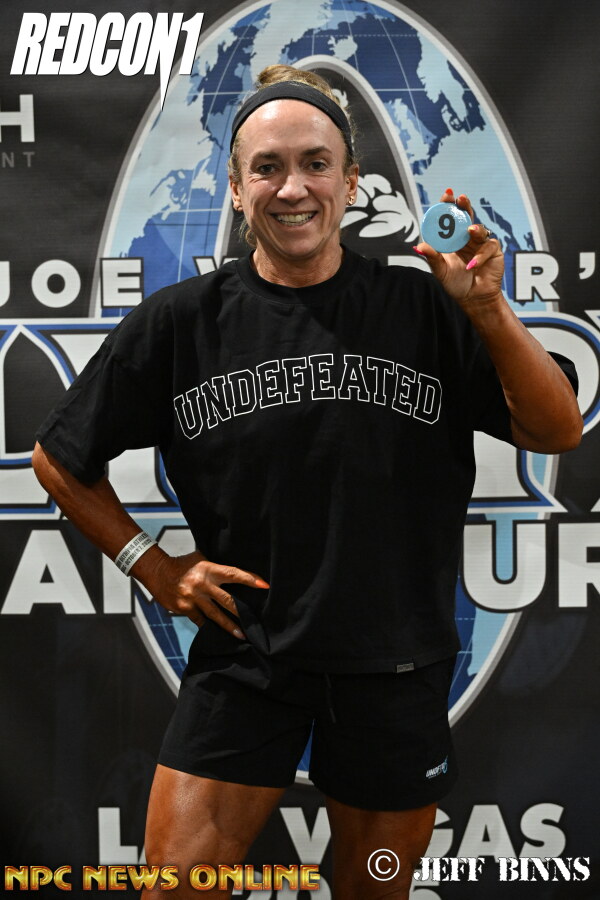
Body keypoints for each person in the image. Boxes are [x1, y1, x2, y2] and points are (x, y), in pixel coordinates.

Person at [32, 65, 582, 899]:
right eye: (268, 167)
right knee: (176, 888)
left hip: (394, 665)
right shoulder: (182, 322)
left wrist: (486, 310)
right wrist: (154, 565)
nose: (293, 188)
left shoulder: (426, 308)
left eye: (316, 164)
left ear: (351, 183)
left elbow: (556, 429)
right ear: (235, 188)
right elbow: (59, 459)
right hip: (245, 659)